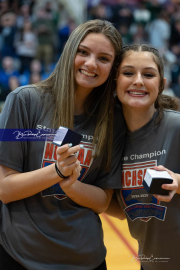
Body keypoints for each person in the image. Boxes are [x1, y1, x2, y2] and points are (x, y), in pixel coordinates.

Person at [0, 19, 126, 270]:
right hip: (19, 256)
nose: (91, 64)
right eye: (83, 52)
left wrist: (71, 184)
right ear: (70, 52)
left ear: (113, 68)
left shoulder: (113, 121)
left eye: (103, 58)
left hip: (86, 259)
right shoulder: (24, 101)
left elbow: (103, 201)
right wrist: (57, 172)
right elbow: (4, 188)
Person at [106, 44, 180, 270]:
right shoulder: (111, 141)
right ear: (115, 82)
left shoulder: (176, 126)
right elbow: (125, 208)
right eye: (128, 73)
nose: (138, 80)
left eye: (148, 74)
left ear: (161, 85)